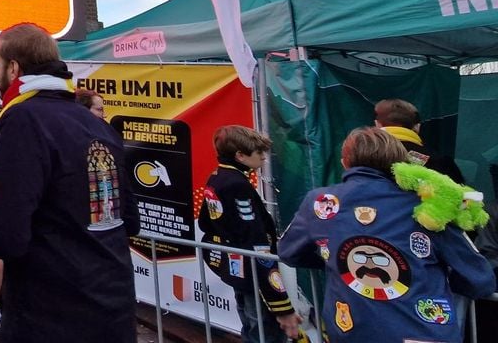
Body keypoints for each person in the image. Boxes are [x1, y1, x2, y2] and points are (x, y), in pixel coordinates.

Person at [0, 23, 138, 342]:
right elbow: (129, 221)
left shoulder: (23, 119)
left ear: (14, 67)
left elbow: (6, 237)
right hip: (114, 310)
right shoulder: (99, 127)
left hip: (51, 314)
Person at [278, 127, 496, 343]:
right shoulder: (429, 206)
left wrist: (335, 261)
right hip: (422, 332)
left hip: (349, 330)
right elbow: (479, 279)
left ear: (344, 162)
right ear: (401, 163)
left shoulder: (320, 202)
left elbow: (288, 251)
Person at [197, 126, 300, 342]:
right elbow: (256, 244)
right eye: (259, 153)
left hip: (237, 268)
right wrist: (281, 305)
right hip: (254, 273)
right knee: (263, 331)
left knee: (250, 324)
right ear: (240, 156)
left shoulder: (217, 176)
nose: (264, 157)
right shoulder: (237, 184)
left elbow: (206, 222)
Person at [373, 98, 466, 183]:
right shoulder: (438, 161)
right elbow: (463, 196)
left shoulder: (362, 154)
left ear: (377, 124)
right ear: (417, 127)